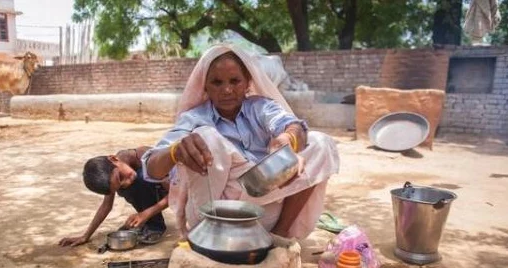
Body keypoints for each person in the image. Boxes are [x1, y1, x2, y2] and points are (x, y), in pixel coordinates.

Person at [142, 44, 339, 240]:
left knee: (321, 142)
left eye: (235, 81)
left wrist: (288, 139)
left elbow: (292, 125)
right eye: (217, 82)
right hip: (214, 215)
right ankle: (209, 239)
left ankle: (279, 234)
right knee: (205, 136)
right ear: (205, 87)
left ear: (247, 83)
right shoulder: (194, 118)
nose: (227, 90)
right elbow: (150, 167)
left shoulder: (261, 107)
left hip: (264, 208)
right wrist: (176, 151)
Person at [59, 146, 169, 247]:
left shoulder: (148, 158)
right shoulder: (112, 174)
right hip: (162, 191)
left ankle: (155, 226)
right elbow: (106, 206)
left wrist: (146, 213)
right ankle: (148, 221)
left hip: (179, 189)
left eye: (120, 177)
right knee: (130, 185)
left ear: (113, 159)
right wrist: (85, 236)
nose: (126, 182)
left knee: (140, 179)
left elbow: (175, 193)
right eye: (119, 184)